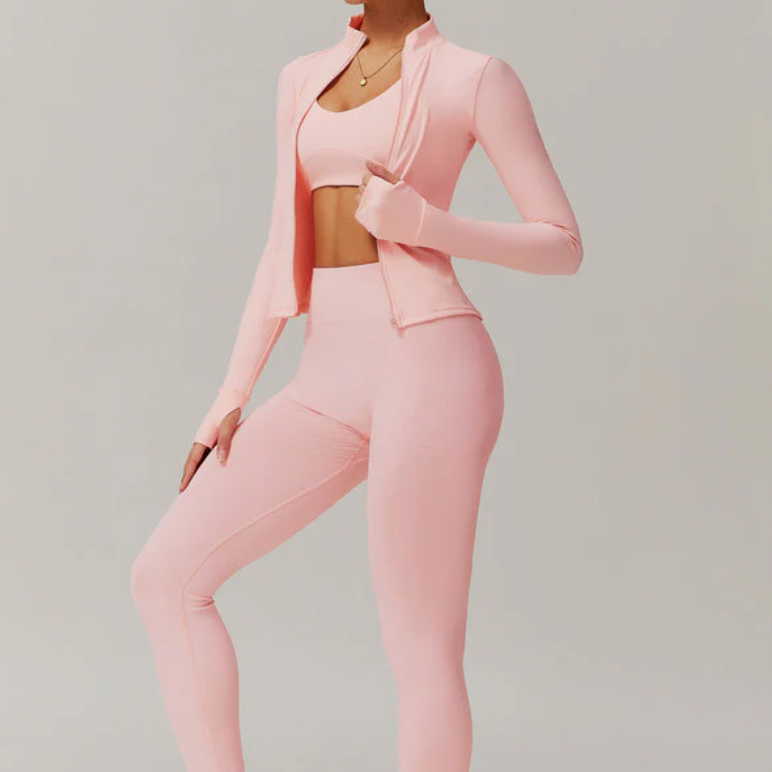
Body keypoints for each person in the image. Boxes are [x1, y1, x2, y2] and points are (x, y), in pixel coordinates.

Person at [130, 4, 583, 772]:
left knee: (420, 648)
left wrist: (426, 223)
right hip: (325, 376)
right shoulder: (301, 79)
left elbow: (563, 245)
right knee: (165, 577)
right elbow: (281, 244)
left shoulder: (475, 78)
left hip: (432, 366)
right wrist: (231, 394)